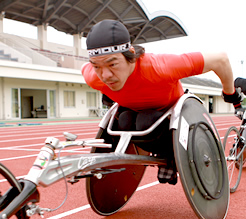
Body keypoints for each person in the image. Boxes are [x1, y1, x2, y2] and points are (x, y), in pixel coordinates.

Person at [81, 19, 241, 184]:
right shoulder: (93, 77)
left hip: (171, 118)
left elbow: (220, 59)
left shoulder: (160, 66)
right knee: (124, 120)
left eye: (112, 64)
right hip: (134, 116)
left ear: (130, 54)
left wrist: (229, 92)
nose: (105, 75)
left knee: (146, 121)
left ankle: (170, 155)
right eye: (97, 66)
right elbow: (85, 69)